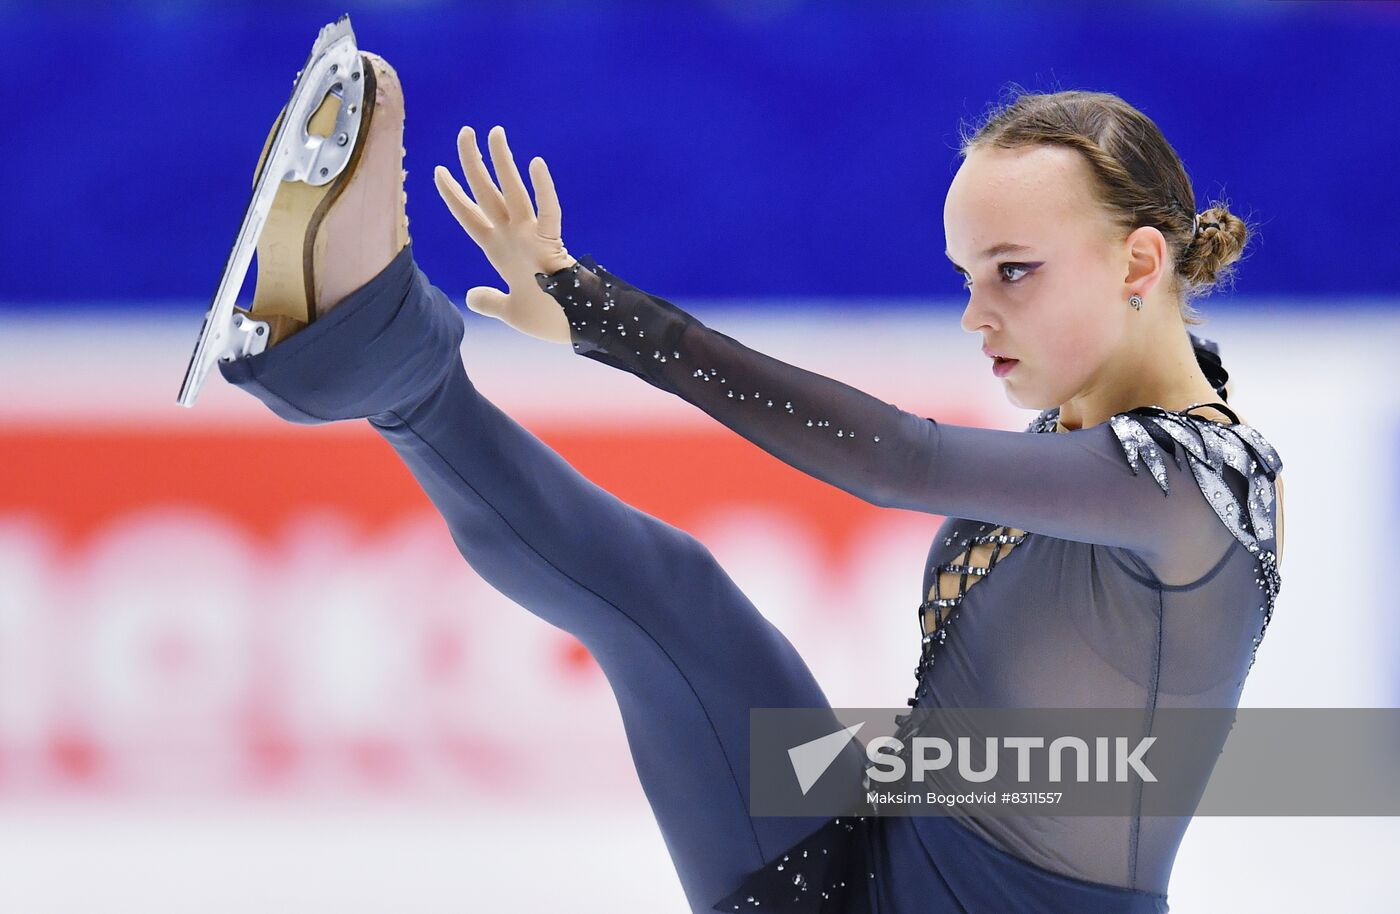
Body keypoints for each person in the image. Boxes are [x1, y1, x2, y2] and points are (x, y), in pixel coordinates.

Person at [219, 53, 1284, 913]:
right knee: (673, 591)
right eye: (966, 276)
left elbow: (892, 458)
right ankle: (376, 349)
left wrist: (601, 312)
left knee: (664, 602)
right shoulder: (1080, 438)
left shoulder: (1197, 486)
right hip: (872, 848)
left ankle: (382, 362)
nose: (975, 315)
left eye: (1012, 270)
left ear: (1139, 265)